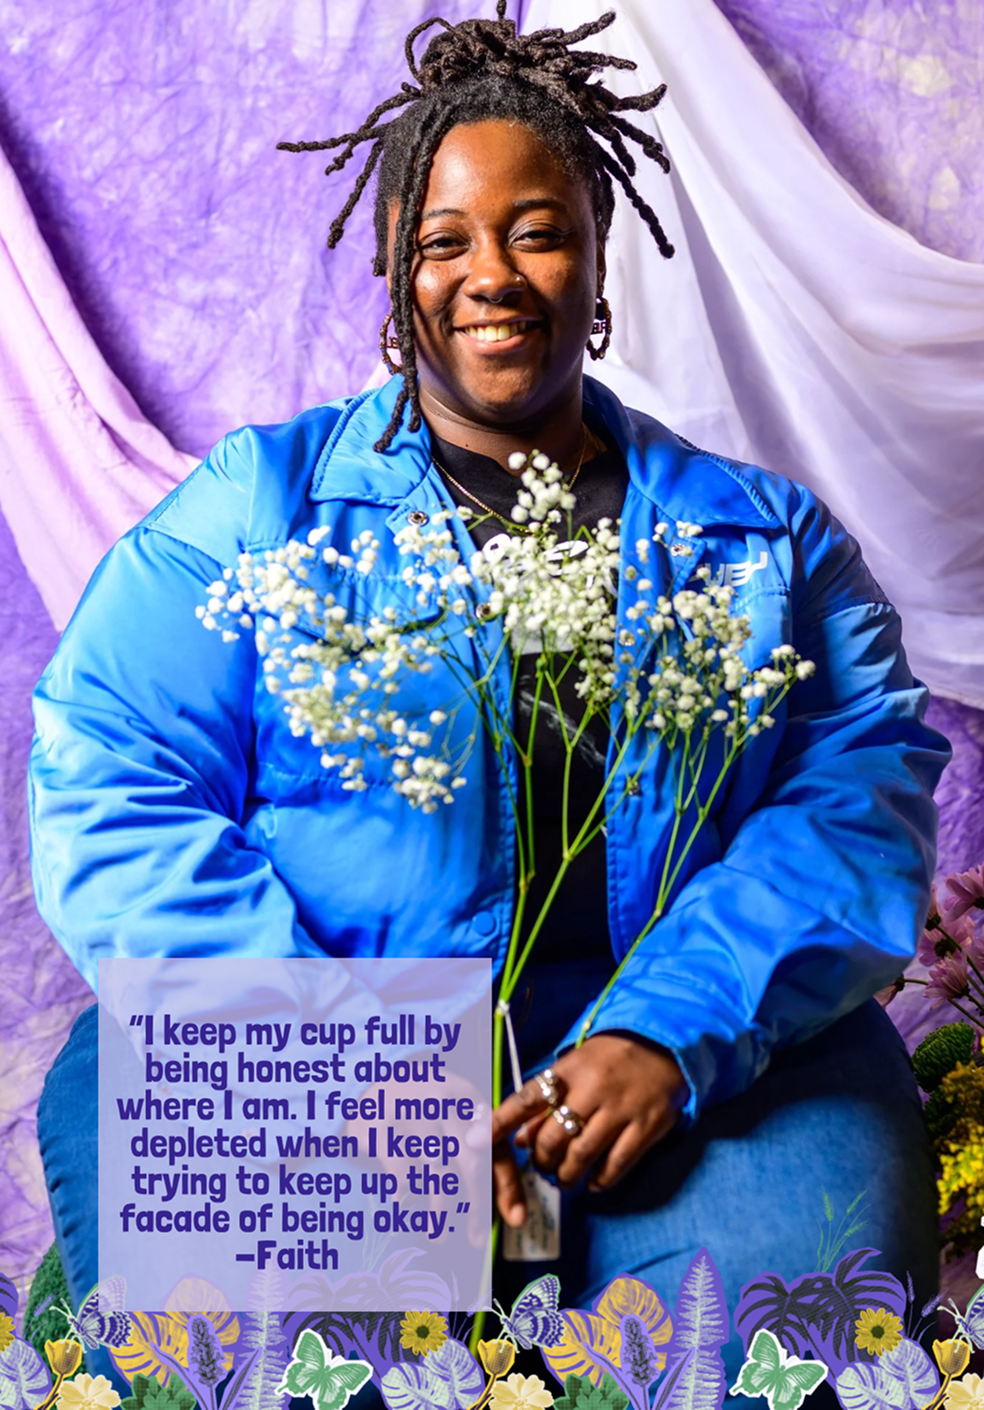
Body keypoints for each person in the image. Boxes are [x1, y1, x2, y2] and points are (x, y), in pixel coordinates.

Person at [31, 4, 948, 1399]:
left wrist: (666, 1029)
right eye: (443, 242)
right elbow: (109, 773)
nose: (490, 276)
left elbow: (861, 788)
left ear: (598, 268)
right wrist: (350, 1063)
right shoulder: (253, 519)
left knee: (793, 1334)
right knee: (250, 1358)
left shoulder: (764, 545)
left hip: (696, 1054)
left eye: (537, 231)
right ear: (393, 279)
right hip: (311, 1039)